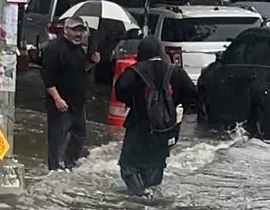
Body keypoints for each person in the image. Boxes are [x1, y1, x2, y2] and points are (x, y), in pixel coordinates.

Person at [113, 36, 197, 196]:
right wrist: (174, 106)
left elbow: (120, 92)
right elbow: (193, 94)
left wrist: (135, 102)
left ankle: (141, 195)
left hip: (139, 127)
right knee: (155, 166)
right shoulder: (175, 71)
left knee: (129, 166)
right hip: (165, 129)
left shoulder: (134, 72)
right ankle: (151, 196)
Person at [40, 16, 97, 170]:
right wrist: (57, 99)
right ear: (66, 30)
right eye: (75, 30)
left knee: (79, 134)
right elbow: (47, 77)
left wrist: (91, 63)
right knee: (57, 138)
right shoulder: (54, 48)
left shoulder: (79, 49)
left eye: (81, 31)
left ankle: (70, 163)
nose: (78, 34)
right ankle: (54, 169)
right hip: (60, 103)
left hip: (77, 102)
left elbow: (79, 71)